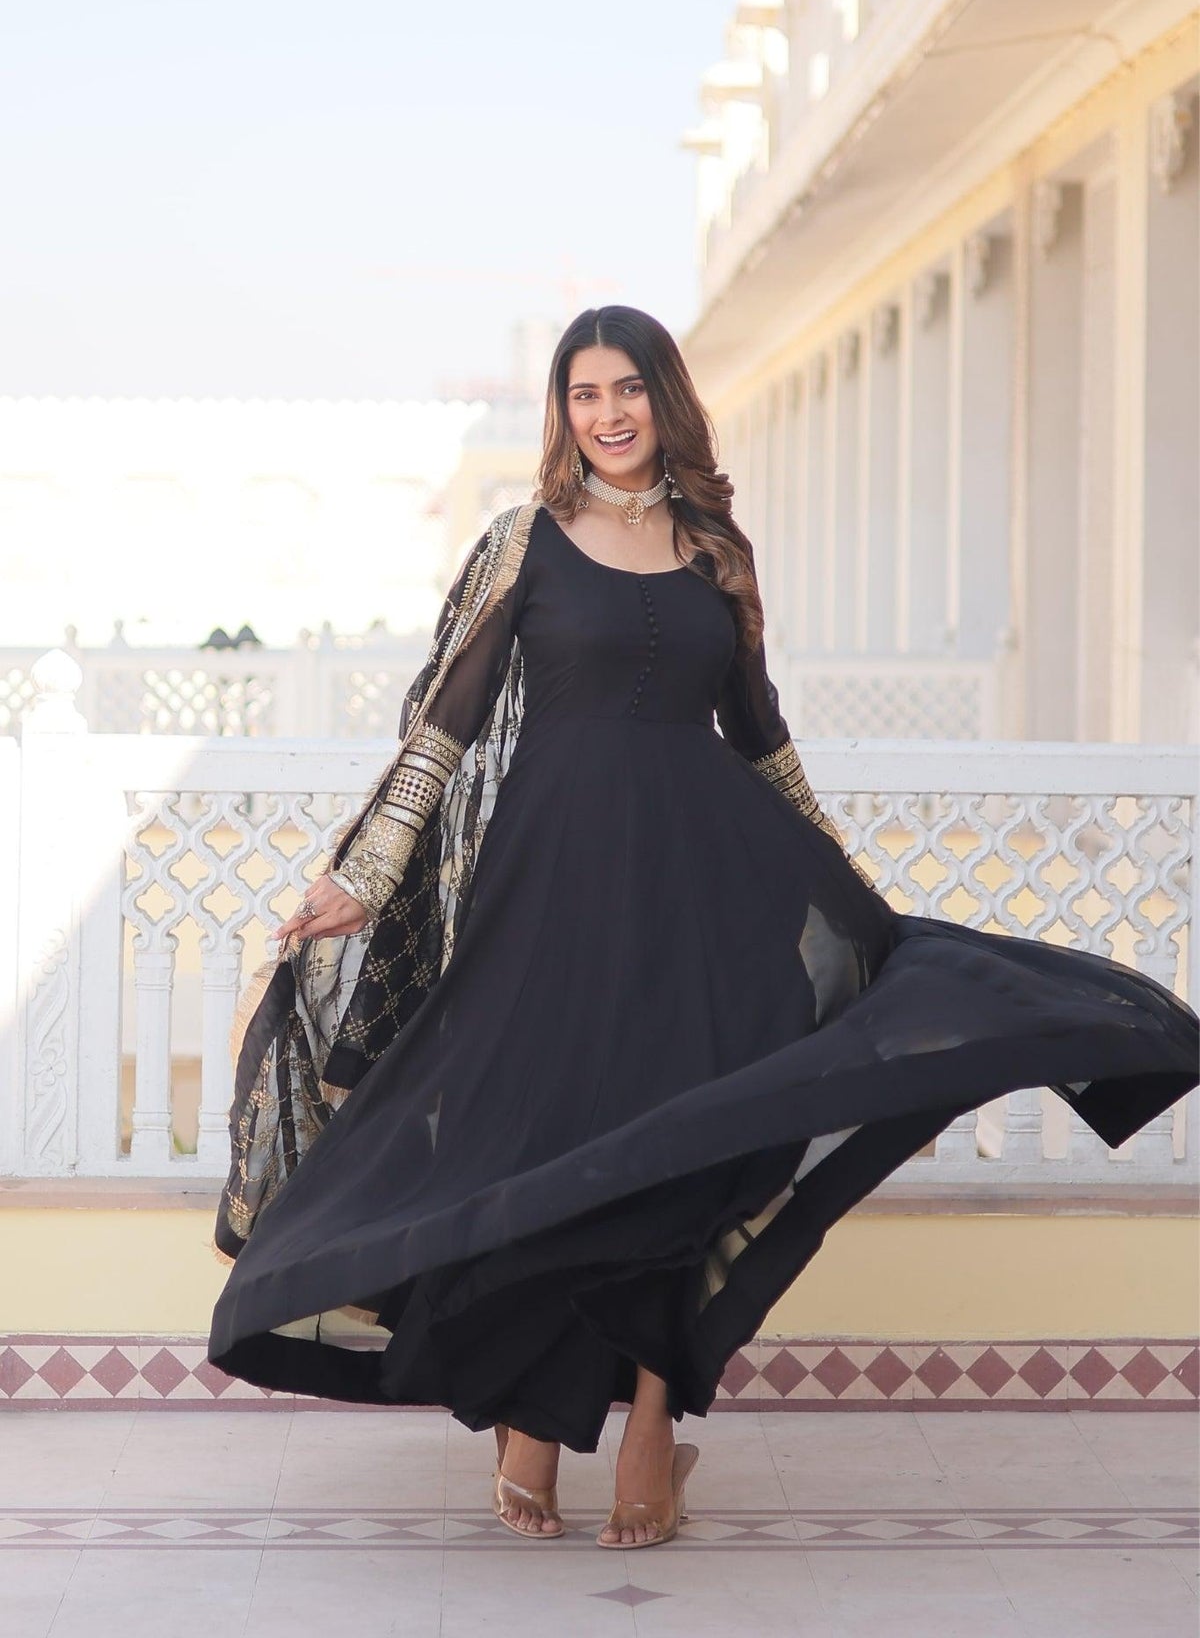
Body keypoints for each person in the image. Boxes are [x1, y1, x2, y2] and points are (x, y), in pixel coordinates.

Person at [209, 305, 1198, 1549]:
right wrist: (364, 870)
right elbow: (444, 728)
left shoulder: (717, 549)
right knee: (538, 1136)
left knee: (677, 1150)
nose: (607, 414)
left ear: (665, 399)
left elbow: (761, 733)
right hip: (550, 893)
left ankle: (649, 1429)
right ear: (563, 412)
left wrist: (845, 887)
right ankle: (527, 1417)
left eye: (627, 389)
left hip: (701, 893)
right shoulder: (523, 541)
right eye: (583, 394)